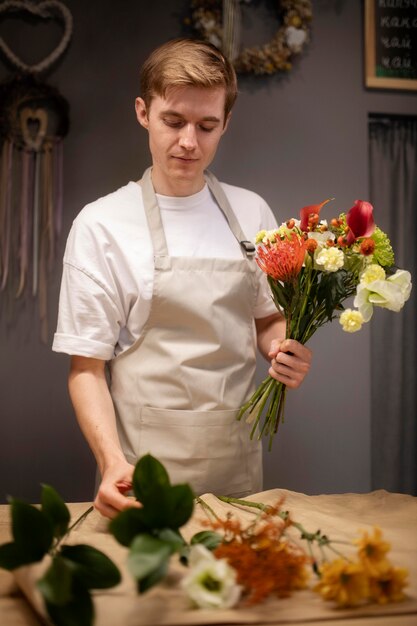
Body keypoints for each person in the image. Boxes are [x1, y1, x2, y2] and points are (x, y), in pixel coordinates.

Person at [52, 38, 312, 519]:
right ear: (143, 112)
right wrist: (111, 463)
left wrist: (282, 350)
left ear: (225, 124)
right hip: (139, 475)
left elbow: (267, 318)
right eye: (173, 121)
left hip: (237, 472)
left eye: (207, 125)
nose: (189, 141)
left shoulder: (252, 212)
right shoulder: (102, 224)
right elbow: (85, 369)